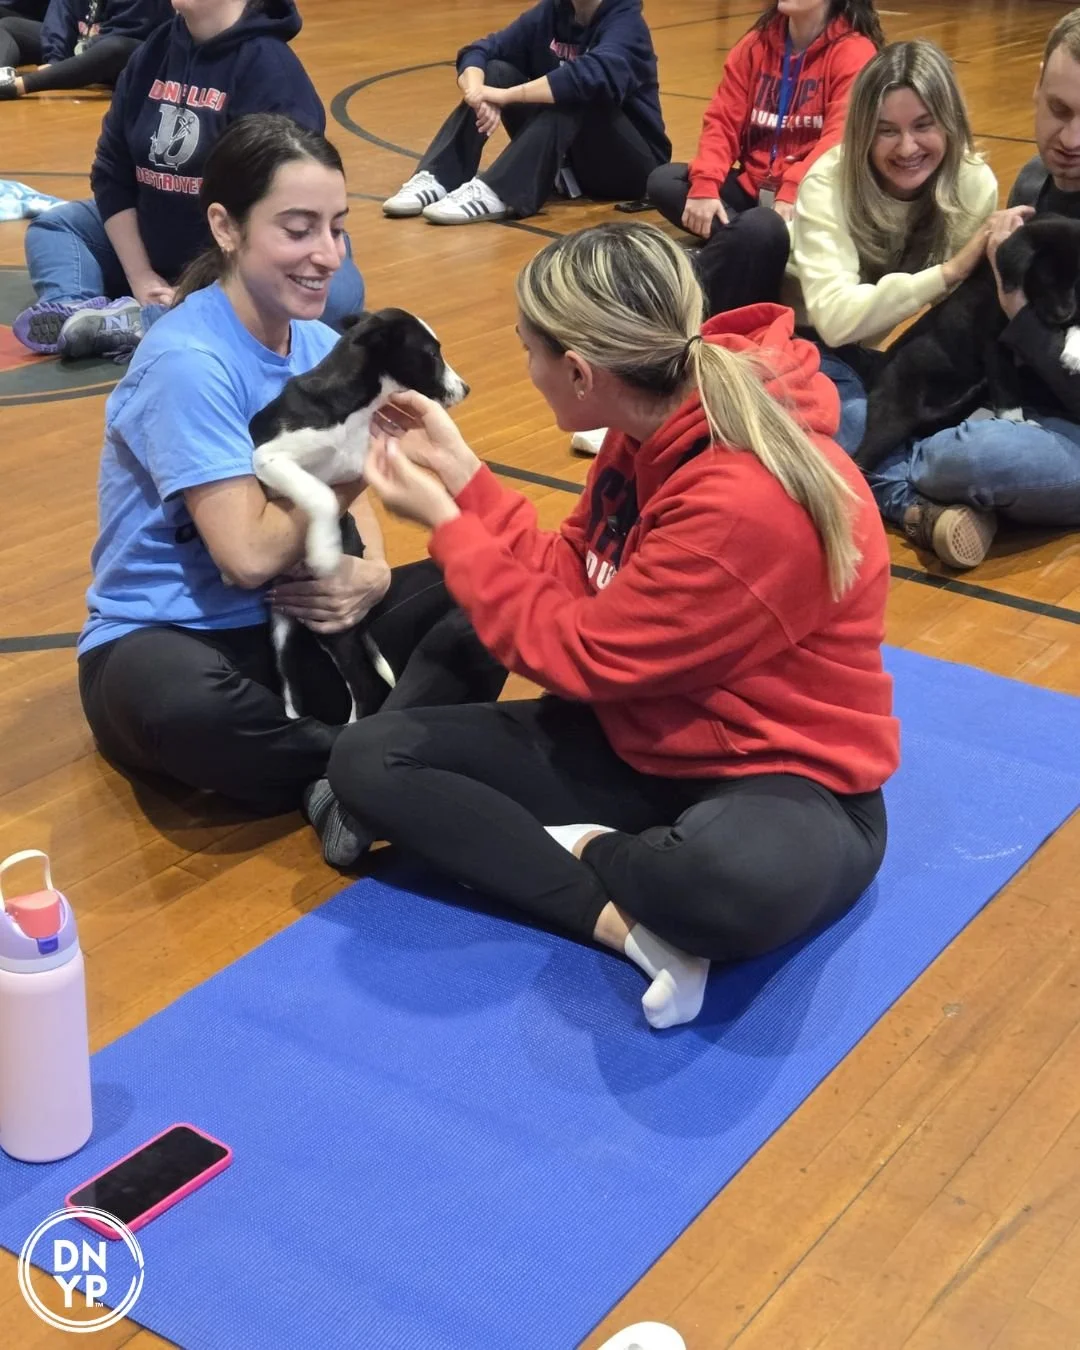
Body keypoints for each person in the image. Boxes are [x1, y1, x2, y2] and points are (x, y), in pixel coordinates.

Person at [326, 222, 899, 1031]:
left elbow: (582, 653)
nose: (523, 369)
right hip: (645, 736)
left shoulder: (744, 498)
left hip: (786, 777)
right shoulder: (646, 431)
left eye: (528, 350)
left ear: (581, 373)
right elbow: (577, 576)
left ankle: (585, 845)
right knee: (370, 757)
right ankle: (629, 931)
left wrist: (447, 526)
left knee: (718, 888)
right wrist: (462, 473)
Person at [77, 113, 504, 866]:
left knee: (489, 593)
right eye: (298, 229)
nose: (327, 256)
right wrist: (351, 463)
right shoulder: (190, 361)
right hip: (177, 641)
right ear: (227, 227)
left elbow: (354, 502)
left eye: (337, 228)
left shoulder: (315, 342)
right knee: (181, 706)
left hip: (300, 631)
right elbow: (245, 556)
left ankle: (351, 769)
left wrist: (368, 574)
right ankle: (379, 761)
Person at [834, 7, 1080, 567]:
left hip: (1056, 430)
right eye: (1059, 109)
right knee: (842, 406)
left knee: (975, 459)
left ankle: (885, 480)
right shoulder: (1035, 182)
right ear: (1038, 83)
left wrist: (1017, 310)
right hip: (999, 407)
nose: (1071, 139)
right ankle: (920, 500)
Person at [13, 0, 365, 362]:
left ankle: (143, 322)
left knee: (337, 295)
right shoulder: (153, 52)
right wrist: (141, 276)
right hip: (154, 244)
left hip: (236, 261)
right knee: (57, 226)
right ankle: (75, 311)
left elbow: (276, 217)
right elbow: (111, 173)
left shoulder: (272, 72)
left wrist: (198, 287)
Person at [790, 39, 1006, 568]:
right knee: (852, 421)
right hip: (826, 349)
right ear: (864, 132)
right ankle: (913, 508)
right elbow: (838, 322)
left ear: (951, 123)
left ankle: (856, 473)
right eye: (887, 130)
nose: (906, 146)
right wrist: (949, 272)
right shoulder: (828, 182)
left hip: (910, 361)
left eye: (923, 125)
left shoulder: (974, 184)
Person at [646, 0, 882, 320]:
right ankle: (756, 251)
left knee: (763, 226)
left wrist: (794, 190)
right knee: (664, 180)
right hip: (756, 191)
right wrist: (706, 185)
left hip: (811, 201)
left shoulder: (854, 51)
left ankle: (688, 290)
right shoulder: (757, 43)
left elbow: (838, 141)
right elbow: (722, 121)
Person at [382, 0, 670, 226]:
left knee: (576, 93)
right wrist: (476, 92)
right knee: (496, 70)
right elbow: (482, 49)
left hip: (630, 169)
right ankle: (438, 176)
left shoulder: (628, 24)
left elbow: (586, 77)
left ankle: (499, 191)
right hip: (571, 158)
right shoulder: (551, 12)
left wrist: (504, 96)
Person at [0, 0, 169, 99]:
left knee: (115, 48)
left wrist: (67, 63)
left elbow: (128, 31)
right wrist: (55, 59)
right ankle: (1, 76)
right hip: (82, 42)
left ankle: (17, 86)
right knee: (8, 26)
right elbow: (60, 15)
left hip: (127, 53)